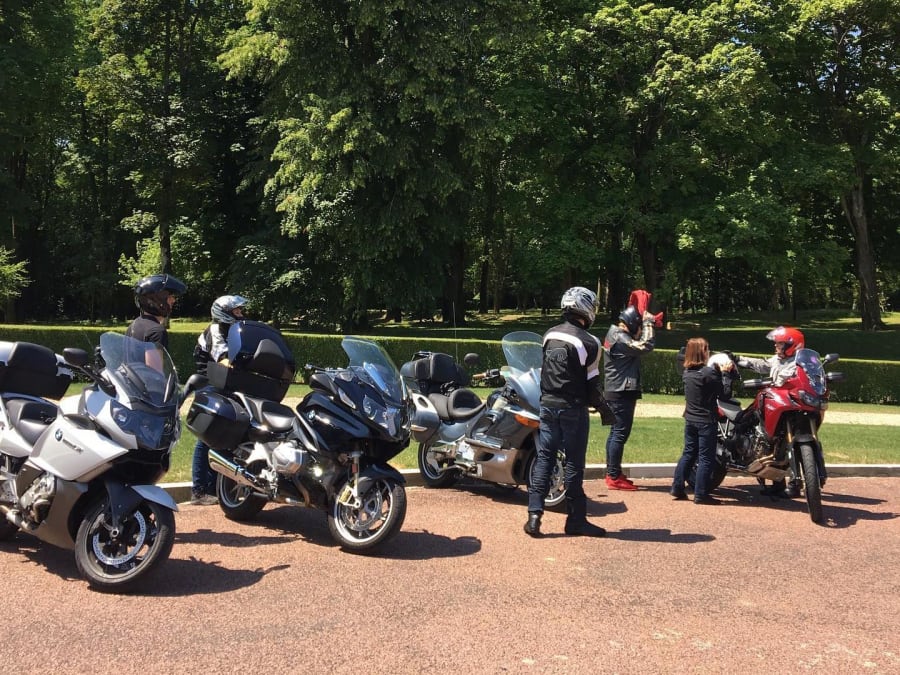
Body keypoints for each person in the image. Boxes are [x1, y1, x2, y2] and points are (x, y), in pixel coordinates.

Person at [524, 286, 608, 538]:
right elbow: (592, 386)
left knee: (545, 459)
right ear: (586, 308)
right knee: (573, 464)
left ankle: (534, 517)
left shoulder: (549, 335)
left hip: (548, 405)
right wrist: (605, 409)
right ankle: (576, 520)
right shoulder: (590, 342)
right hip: (573, 409)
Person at [190, 294, 248, 505]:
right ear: (223, 313)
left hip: (224, 385)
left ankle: (214, 487)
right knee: (206, 436)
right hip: (210, 385)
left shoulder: (233, 331)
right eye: (236, 311)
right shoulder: (215, 330)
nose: (240, 314)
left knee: (224, 435)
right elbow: (222, 358)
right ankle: (199, 490)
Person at [736, 325, 805, 497]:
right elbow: (763, 364)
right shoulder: (778, 359)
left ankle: (794, 483)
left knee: (788, 441)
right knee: (748, 422)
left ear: (791, 345)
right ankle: (776, 482)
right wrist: (739, 359)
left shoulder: (802, 363)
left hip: (793, 404)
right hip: (775, 403)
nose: (776, 346)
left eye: (780, 343)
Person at [602, 303, 656, 490]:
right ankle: (613, 476)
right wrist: (648, 323)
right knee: (619, 434)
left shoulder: (615, 334)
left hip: (616, 390)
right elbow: (645, 345)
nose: (639, 331)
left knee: (615, 434)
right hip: (621, 391)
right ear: (632, 324)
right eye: (639, 327)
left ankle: (613, 472)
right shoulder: (620, 337)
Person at [671, 337, 731, 504]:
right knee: (706, 457)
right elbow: (725, 394)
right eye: (706, 349)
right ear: (701, 353)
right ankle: (701, 494)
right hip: (706, 420)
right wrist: (725, 374)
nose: (708, 352)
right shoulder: (708, 373)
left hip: (690, 418)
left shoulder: (687, 372)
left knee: (688, 453)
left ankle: (677, 487)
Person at [126, 273, 186, 371]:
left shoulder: (134, 325)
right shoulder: (156, 331)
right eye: (169, 296)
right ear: (157, 300)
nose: (173, 300)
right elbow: (154, 374)